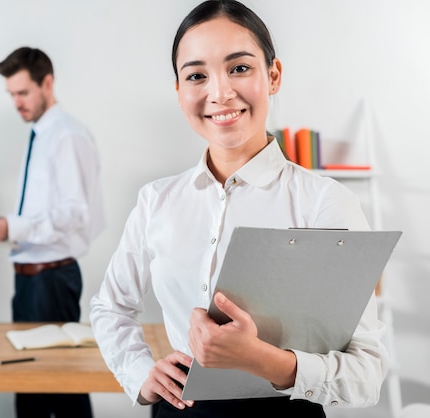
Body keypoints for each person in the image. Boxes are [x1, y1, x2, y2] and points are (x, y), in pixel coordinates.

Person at [89, 1, 388, 417]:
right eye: (196, 75)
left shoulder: (324, 203)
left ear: (273, 75)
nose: (220, 93)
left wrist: (262, 359)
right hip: (180, 408)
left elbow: (367, 372)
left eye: (240, 68)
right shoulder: (156, 200)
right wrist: (140, 371)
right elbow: (110, 306)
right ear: (179, 92)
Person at [0, 46, 105, 418]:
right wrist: (3, 229)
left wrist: (13, 227)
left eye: (23, 92)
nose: (17, 103)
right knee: (28, 385)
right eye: (11, 94)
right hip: (30, 280)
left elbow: (76, 213)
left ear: (48, 83)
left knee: (62, 388)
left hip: (52, 280)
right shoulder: (42, 135)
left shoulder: (67, 136)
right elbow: (44, 211)